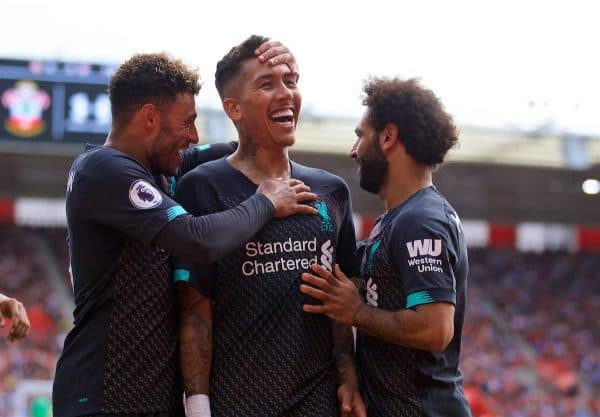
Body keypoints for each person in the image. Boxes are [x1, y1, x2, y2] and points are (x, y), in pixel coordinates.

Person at [52, 42, 317, 417]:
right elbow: (197, 239)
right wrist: (265, 202)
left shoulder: (157, 168)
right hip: (103, 397)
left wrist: (264, 107)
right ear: (149, 119)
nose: (192, 135)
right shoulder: (104, 170)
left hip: (148, 400)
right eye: (187, 122)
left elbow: (228, 149)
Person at [174, 35, 365, 417]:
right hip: (238, 404)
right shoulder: (203, 188)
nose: (285, 94)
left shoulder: (332, 191)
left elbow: (340, 307)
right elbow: (195, 311)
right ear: (234, 109)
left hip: (318, 403)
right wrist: (197, 406)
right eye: (266, 84)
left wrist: (349, 378)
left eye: (290, 82)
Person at [300, 77, 472, 417]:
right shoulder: (396, 220)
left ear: (388, 137)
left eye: (360, 136)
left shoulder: (421, 220)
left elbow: (434, 328)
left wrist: (357, 313)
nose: (353, 151)